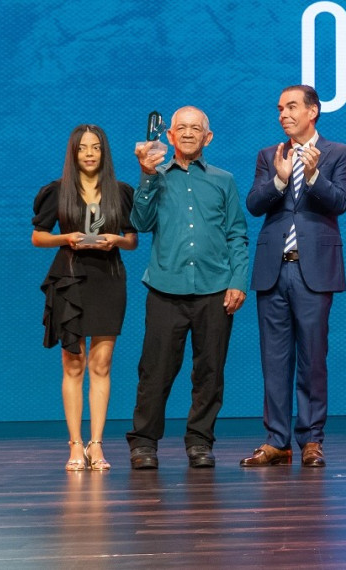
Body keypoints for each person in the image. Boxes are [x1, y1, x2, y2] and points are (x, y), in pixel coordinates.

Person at [126, 106, 249, 469]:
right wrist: (146, 176)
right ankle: (144, 443)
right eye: (182, 127)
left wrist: (238, 280)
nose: (189, 133)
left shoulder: (224, 180)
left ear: (207, 137)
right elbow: (140, 222)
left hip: (215, 290)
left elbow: (237, 234)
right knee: (155, 372)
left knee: (210, 372)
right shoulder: (156, 176)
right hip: (166, 289)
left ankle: (199, 441)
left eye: (197, 128)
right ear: (170, 135)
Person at [242, 85, 346, 468]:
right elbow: (254, 205)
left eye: (291, 107)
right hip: (274, 270)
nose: (283, 114)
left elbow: (340, 202)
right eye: (279, 108)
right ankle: (277, 440)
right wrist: (278, 180)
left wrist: (312, 176)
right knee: (274, 359)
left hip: (314, 271)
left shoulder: (339, 153)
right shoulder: (268, 155)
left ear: (313, 111)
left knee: (312, 358)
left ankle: (311, 439)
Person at [32, 124, 138, 471]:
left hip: (108, 280)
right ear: (73, 153)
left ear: (104, 152)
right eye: (82, 148)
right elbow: (38, 236)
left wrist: (115, 240)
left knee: (102, 364)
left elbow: (132, 239)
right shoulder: (57, 191)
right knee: (74, 364)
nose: (89, 153)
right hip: (71, 279)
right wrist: (68, 239)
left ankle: (97, 445)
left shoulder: (121, 192)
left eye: (95, 147)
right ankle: (75, 444)